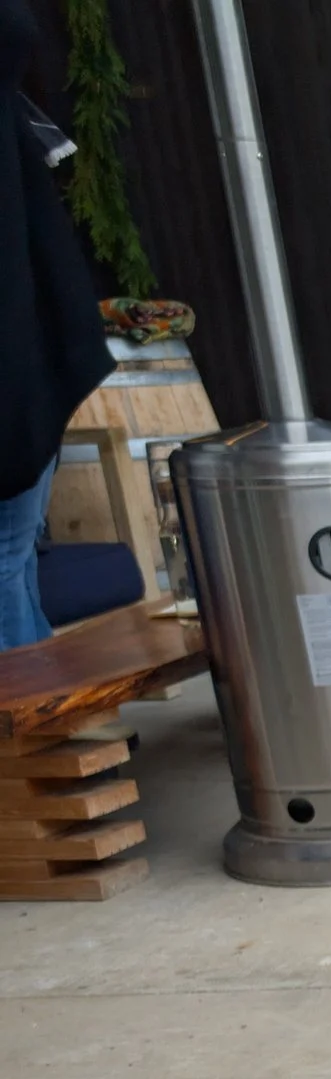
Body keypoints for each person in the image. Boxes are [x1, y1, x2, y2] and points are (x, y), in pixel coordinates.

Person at [2, 0, 110, 649]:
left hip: (28, 323)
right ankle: (38, 736)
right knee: (7, 562)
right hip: (24, 332)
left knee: (11, 561)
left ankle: (43, 733)